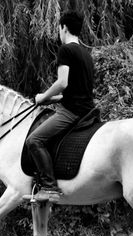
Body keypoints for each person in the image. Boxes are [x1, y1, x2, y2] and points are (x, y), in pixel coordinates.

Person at [26, 10, 95, 203]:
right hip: (87, 110)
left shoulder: (65, 50)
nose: (59, 31)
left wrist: (42, 97)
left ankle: (49, 188)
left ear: (63, 28)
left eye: (59, 28)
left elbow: (62, 82)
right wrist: (53, 99)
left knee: (34, 140)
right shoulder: (86, 54)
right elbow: (75, 91)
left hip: (72, 112)